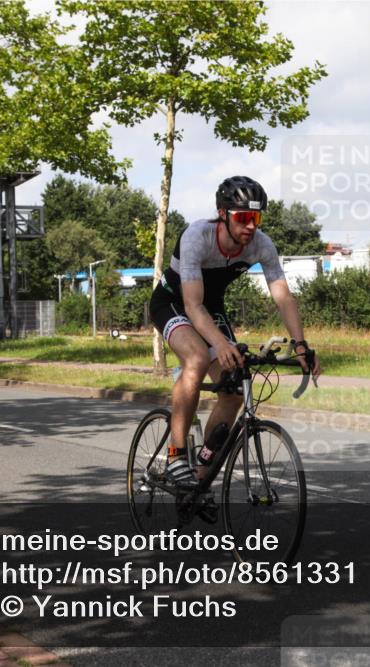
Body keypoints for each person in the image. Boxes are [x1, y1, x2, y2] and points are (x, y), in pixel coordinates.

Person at [149, 175, 322, 492]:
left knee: (236, 388)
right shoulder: (196, 237)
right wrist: (218, 343)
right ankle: (175, 455)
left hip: (210, 308)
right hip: (174, 303)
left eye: (255, 218)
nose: (251, 226)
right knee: (197, 358)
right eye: (243, 217)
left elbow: (283, 296)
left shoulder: (261, 245)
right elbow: (192, 304)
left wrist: (300, 345)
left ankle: (201, 477)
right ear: (222, 213)